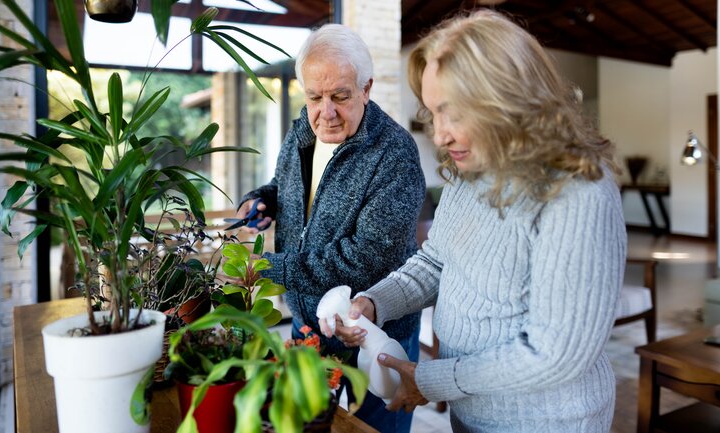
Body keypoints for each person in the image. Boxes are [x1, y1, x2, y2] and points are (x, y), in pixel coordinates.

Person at [324, 10, 626, 433]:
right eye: (434, 114)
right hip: (473, 413)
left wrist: (432, 380)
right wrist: (375, 302)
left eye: (453, 113)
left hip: (549, 421)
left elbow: (555, 352)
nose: (440, 135)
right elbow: (434, 263)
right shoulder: (472, 174)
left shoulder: (579, 190)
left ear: (507, 98)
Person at [233, 24, 426, 433]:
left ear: (366, 88)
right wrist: (261, 198)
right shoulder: (304, 129)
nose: (326, 112)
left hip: (374, 336)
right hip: (309, 323)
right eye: (315, 97)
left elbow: (367, 258)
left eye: (340, 96)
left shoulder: (396, 154)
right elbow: (284, 185)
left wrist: (271, 268)